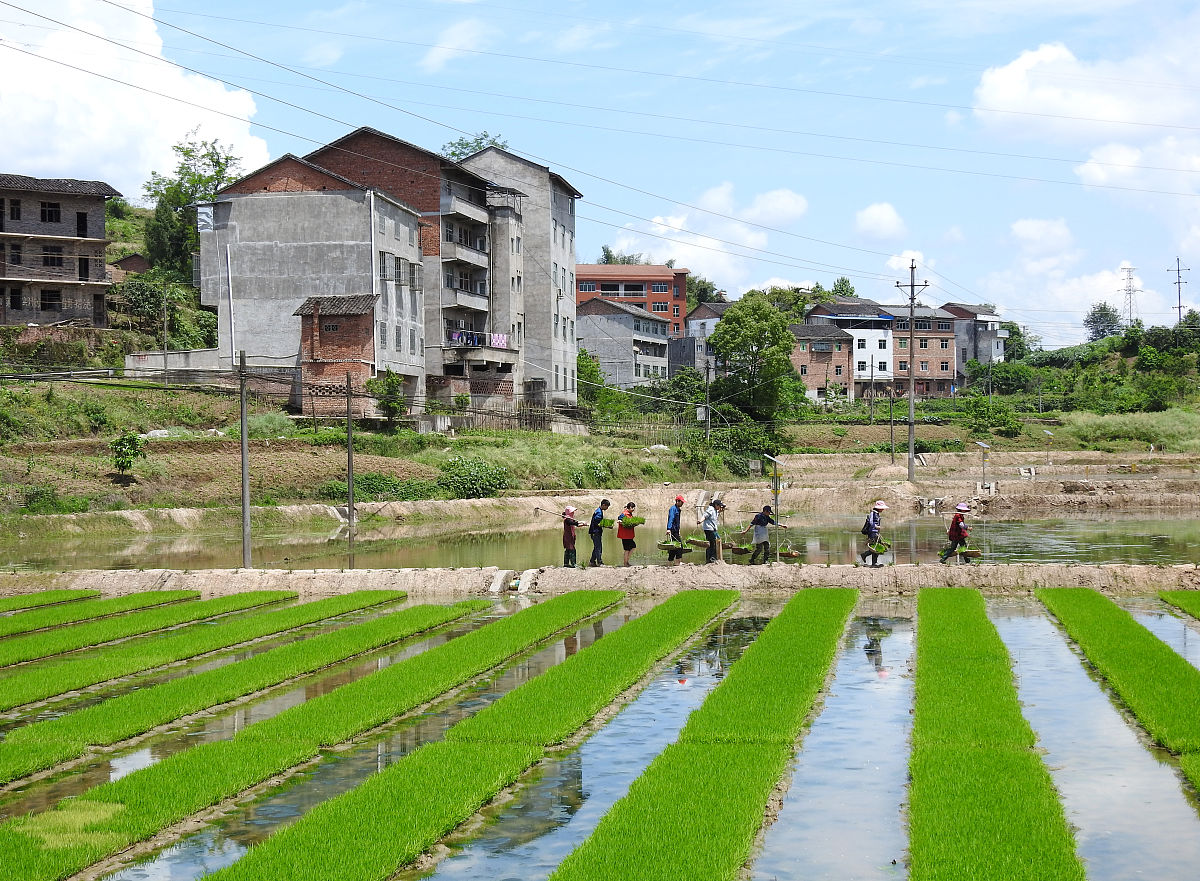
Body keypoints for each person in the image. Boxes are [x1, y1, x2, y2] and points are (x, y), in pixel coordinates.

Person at [859, 500, 888, 567]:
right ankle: (865, 555)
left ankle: (874, 562)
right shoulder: (873, 513)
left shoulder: (877, 514)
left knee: (876, 547)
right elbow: (871, 522)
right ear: (878, 508)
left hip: (876, 533)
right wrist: (876, 526)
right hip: (872, 533)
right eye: (882, 508)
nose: (883, 509)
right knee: (875, 548)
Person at [699, 498, 726, 564]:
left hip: (713, 529)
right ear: (716, 505)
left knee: (716, 541)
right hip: (709, 529)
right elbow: (705, 516)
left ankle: (711, 557)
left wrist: (722, 508)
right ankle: (712, 558)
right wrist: (700, 521)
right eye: (719, 506)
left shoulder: (715, 510)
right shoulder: (711, 509)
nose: (719, 507)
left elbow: (718, 512)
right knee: (713, 543)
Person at [616, 501, 640, 567]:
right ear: (629, 507)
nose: (633, 509)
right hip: (625, 535)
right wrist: (621, 522)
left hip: (629, 535)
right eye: (633, 508)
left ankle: (626, 562)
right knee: (627, 549)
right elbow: (619, 519)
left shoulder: (629, 513)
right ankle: (625, 563)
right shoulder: (624, 514)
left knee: (632, 547)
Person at [588, 499, 610, 567]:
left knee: (596, 547)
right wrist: (607, 525)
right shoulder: (599, 513)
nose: (607, 508)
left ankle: (592, 562)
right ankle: (599, 562)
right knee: (598, 548)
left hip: (595, 532)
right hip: (596, 532)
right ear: (603, 505)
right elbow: (598, 523)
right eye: (607, 506)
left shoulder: (598, 511)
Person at [665, 495, 686, 565]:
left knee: (673, 548)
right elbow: (671, 519)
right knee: (679, 546)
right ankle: (677, 562)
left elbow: (677, 522)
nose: (682, 504)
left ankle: (670, 562)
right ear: (677, 501)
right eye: (681, 502)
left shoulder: (678, 509)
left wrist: (679, 530)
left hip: (676, 530)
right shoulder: (673, 509)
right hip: (672, 530)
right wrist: (668, 529)